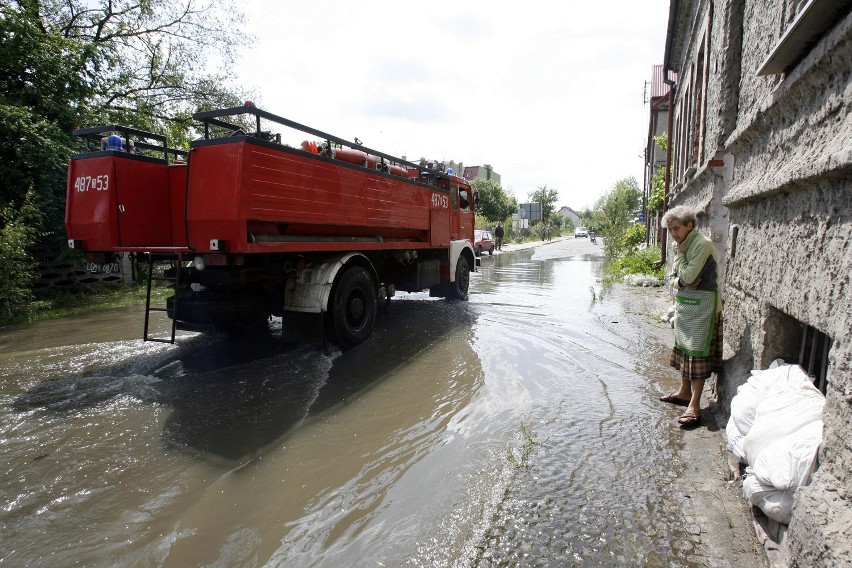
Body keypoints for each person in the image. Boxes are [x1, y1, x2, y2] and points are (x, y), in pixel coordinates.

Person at [658, 205, 722, 427]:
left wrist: (679, 260)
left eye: (676, 228)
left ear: (689, 225)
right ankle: (684, 392)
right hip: (688, 305)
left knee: (697, 356)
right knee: (685, 350)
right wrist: (679, 279)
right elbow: (678, 280)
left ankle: (694, 405)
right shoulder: (683, 246)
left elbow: (688, 276)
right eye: (670, 230)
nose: (673, 234)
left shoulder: (700, 245)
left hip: (703, 308)